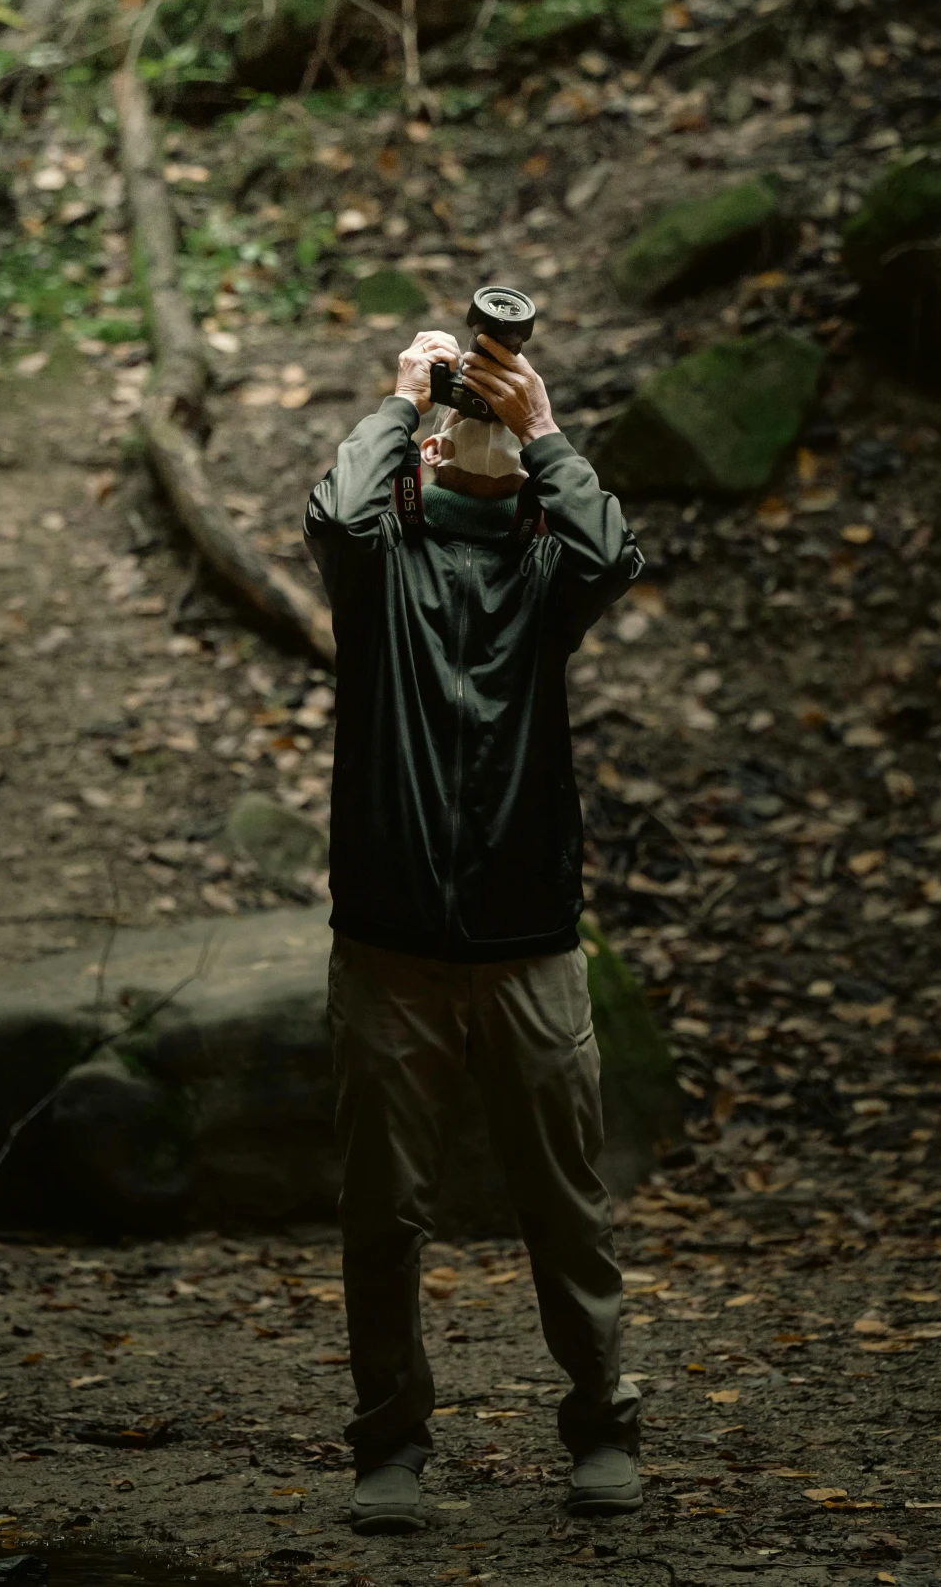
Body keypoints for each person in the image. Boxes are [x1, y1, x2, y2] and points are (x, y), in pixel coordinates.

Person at [303, 317, 646, 1536]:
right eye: (471, 420)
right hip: (390, 945)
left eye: (494, 419)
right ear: (433, 454)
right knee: (382, 1211)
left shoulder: (546, 577)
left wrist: (546, 431)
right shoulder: (379, 563)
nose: (484, 431)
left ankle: (601, 1428)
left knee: (564, 1199)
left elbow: (615, 551)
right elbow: (338, 514)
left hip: (527, 946)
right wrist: (402, 398)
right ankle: (388, 1447)